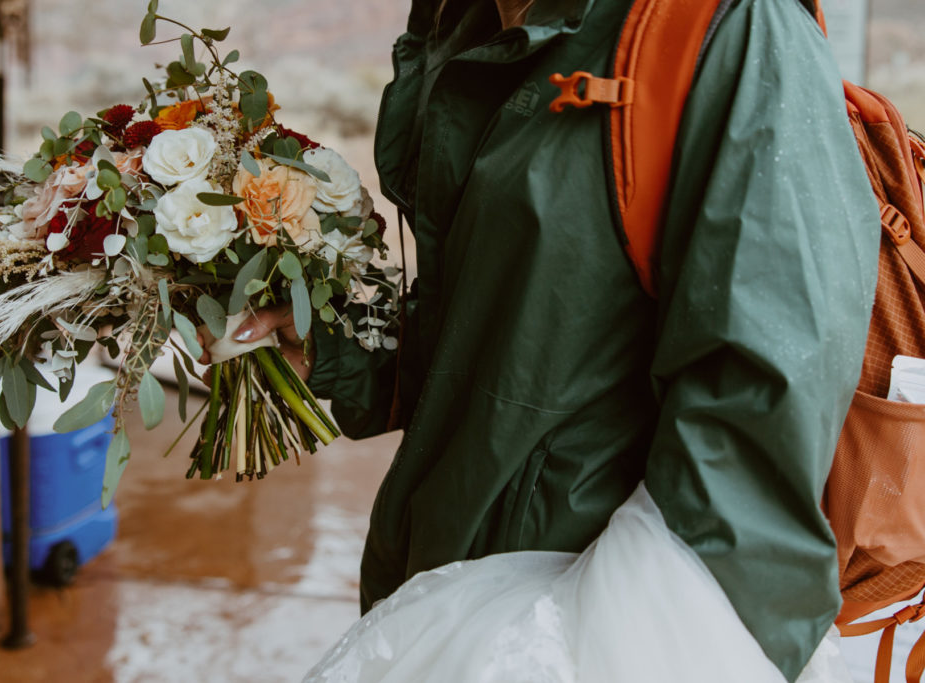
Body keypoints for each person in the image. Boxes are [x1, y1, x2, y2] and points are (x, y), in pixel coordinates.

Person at [209, 0, 880, 679]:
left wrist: (560, 641)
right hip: (436, 597)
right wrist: (334, 339)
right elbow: (491, 327)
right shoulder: (463, 21)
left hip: (578, 633)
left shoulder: (731, 27)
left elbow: (757, 427)